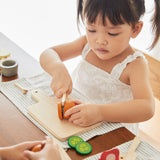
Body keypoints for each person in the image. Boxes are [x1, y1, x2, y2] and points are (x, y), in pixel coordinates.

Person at [39, 0, 160, 136]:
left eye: (112, 33)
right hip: (77, 121)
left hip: (112, 133)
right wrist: (57, 69)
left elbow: (146, 107)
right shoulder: (86, 44)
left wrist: (100, 113)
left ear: (135, 29)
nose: (100, 41)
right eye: (92, 30)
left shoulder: (134, 64)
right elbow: (48, 53)